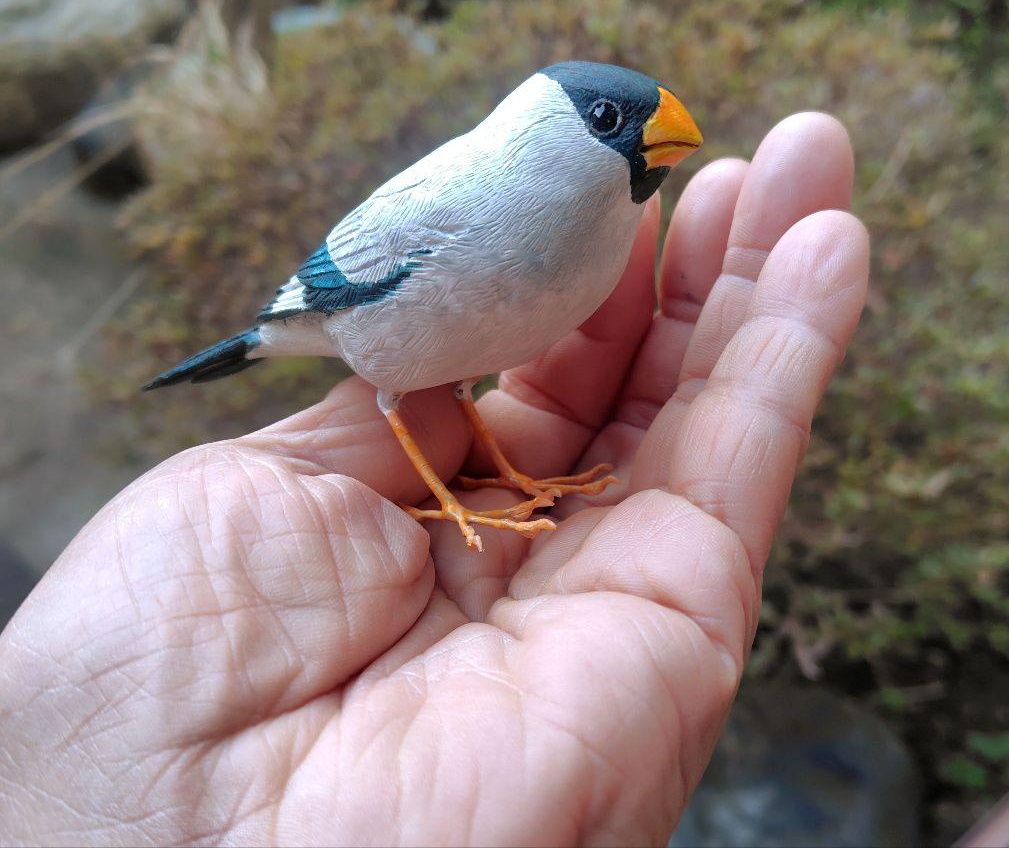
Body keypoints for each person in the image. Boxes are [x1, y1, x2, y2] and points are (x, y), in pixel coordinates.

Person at [0, 113, 867, 846]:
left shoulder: (597, 231)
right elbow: (358, 295)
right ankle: (457, 494)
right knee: (399, 402)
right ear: (545, 136)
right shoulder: (457, 202)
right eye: (613, 125)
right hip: (351, 321)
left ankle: (504, 477)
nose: (652, 136)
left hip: (457, 366)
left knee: (451, 395)